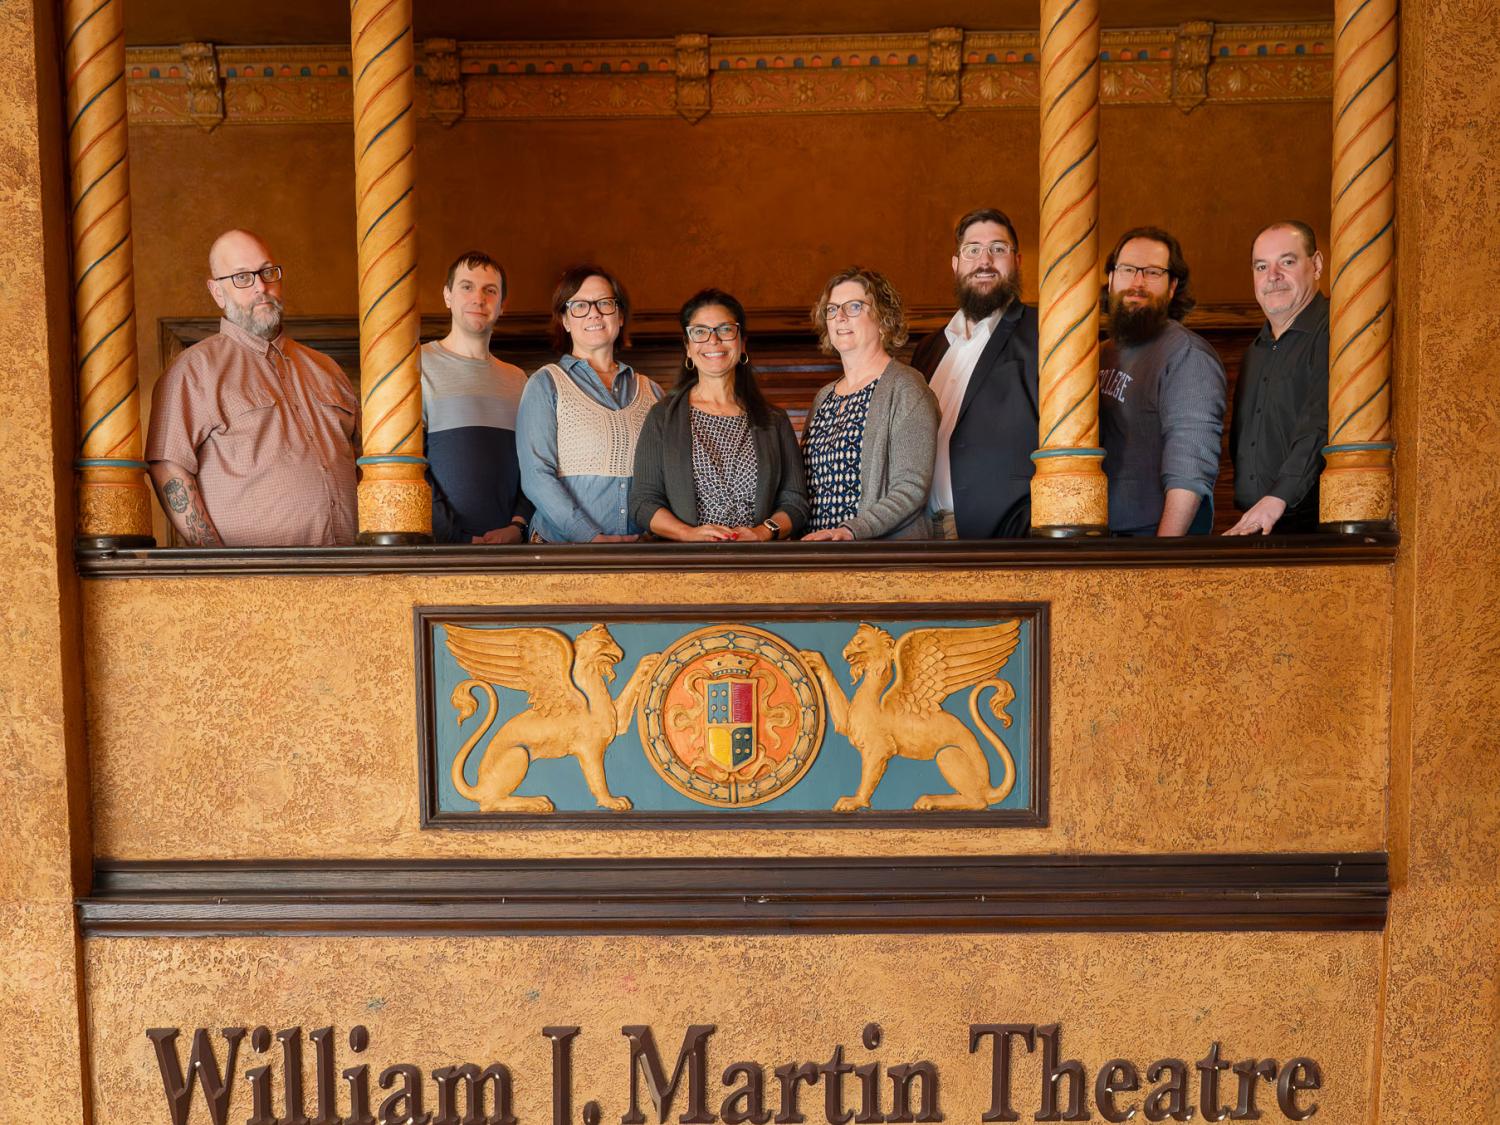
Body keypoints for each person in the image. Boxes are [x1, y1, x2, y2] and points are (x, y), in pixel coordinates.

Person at [145, 229, 358, 547]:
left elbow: (364, 463)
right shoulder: (193, 370)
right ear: (217, 291)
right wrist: (218, 565)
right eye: (242, 277)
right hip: (255, 583)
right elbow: (168, 466)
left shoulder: (326, 368)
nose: (261, 286)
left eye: (267, 272)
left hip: (353, 572)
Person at [629, 289, 807, 542]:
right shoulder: (662, 417)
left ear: (742, 342)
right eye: (700, 332)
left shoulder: (774, 419)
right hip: (685, 566)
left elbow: (795, 501)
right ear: (688, 347)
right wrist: (687, 534)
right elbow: (643, 502)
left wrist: (762, 532)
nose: (713, 340)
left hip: (760, 565)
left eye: (725, 330)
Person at [910, 207, 1040, 539]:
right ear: (956, 265)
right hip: (920, 535)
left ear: (1017, 261)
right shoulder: (928, 351)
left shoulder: (1041, 333)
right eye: (973, 250)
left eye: (998, 249)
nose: (985, 261)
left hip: (999, 538)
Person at [516, 265, 662, 543]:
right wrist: (591, 537)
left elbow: (662, 480)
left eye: (605, 303)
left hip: (639, 554)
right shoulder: (545, 384)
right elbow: (536, 476)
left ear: (620, 316)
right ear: (565, 320)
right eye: (580, 305)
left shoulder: (652, 392)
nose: (594, 313)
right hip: (563, 552)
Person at [1097, 226, 1227, 536]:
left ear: (1172, 287)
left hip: (1148, 540)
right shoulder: (1103, 352)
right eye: (1128, 270)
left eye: (1153, 272)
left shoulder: (1188, 356)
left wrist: (1162, 555)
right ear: (1112, 278)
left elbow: (1190, 468)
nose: (1137, 283)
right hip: (1102, 536)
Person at [801, 267, 938, 541]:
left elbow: (911, 488)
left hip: (879, 557)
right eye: (832, 309)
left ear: (884, 319)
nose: (839, 317)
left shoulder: (906, 388)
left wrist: (850, 531)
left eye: (853, 307)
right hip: (819, 557)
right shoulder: (824, 397)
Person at [1224, 221, 1329, 535]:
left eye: (1287, 261)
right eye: (1261, 266)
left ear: (1317, 265)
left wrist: (1278, 497)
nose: (1273, 277)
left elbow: (1320, 426)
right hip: (1258, 527)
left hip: (1313, 531)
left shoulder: (1335, 333)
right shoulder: (1255, 351)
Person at [421, 249, 532, 544]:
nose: (478, 298)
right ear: (447, 296)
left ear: (502, 305)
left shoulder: (518, 380)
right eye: (467, 287)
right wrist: (454, 536)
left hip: (509, 550)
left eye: (490, 290)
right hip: (440, 549)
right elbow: (409, 468)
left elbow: (534, 465)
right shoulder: (417, 367)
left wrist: (517, 527)